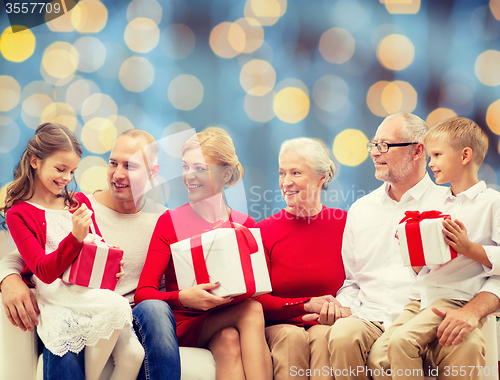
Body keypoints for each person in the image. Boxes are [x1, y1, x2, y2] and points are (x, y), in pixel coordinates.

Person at [320, 112, 500, 380]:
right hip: (374, 315)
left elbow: (481, 268)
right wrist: (342, 306)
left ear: (417, 151)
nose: (374, 153)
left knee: (467, 344)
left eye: (384, 145)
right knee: (344, 335)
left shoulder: (450, 201)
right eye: (373, 145)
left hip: (437, 309)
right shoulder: (360, 210)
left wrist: (471, 311)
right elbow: (353, 282)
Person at [0, 128, 181, 380]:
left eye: (130, 166)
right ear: (35, 161)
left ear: (153, 173)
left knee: (148, 324)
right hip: (70, 298)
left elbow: (98, 247)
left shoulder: (163, 218)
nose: (118, 174)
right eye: (113, 163)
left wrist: (111, 262)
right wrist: (7, 277)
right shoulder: (81, 203)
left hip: (125, 310)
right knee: (70, 332)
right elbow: (26, 256)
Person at [134, 127, 273, 380]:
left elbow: (260, 292)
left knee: (229, 339)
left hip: (223, 322)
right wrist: (183, 298)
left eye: (199, 168)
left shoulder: (246, 225)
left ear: (226, 174)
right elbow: (144, 293)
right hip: (183, 322)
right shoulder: (170, 221)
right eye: (185, 167)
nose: (188, 175)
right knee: (251, 312)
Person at [254, 137, 347, 380]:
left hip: (327, 324)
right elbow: (256, 301)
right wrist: (306, 306)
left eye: (296, 172)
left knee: (323, 336)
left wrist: (339, 311)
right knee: (291, 338)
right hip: (281, 328)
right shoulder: (263, 231)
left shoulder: (346, 224)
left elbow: (362, 284)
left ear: (321, 178)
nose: (286, 182)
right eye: (282, 173)